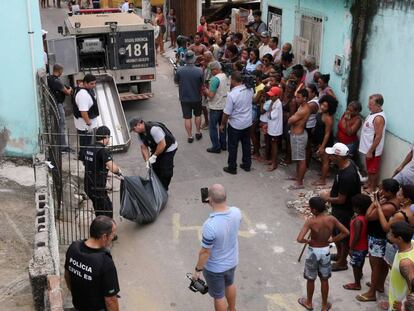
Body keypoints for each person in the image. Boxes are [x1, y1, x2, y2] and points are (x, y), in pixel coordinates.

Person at [192, 184, 241, 311]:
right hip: (232, 262)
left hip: (216, 268)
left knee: (219, 296)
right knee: (229, 284)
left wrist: (198, 270)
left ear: (210, 200)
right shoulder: (237, 212)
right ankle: (232, 309)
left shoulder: (210, 225)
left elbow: (205, 252)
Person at [297, 196, 349, 311]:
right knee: (324, 279)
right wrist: (333, 240)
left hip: (313, 252)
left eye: (310, 208)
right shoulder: (331, 219)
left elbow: (300, 239)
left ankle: (309, 303)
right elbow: (346, 232)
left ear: (314, 210)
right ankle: (325, 306)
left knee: (311, 279)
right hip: (325, 251)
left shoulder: (311, 221)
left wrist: (308, 241)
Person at [357, 179, 400, 303]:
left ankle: (371, 293)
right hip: (381, 237)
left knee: (375, 265)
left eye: (382, 190)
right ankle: (379, 285)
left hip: (377, 238)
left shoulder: (387, 207)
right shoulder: (395, 201)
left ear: (390, 192)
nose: (380, 191)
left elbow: (368, 216)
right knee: (381, 264)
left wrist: (375, 203)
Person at [319, 143, 361, 271]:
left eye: (331, 155)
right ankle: (339, 255)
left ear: (339, 157)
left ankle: (342, 262)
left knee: (343, 236)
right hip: (339, 208)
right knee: (335, 231)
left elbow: (341, 199)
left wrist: (326, 198)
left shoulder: (347, 175)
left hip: (344, 210)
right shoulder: (346, 165)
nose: (329, 157)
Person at [64, 216, 119, 311]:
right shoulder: (105, 262)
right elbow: (111, 300)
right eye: (112, 236)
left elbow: (67, 276)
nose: (112, 239)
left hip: (78, 304)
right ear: (104, 237)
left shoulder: (73, 248)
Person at [84, 126, 122, 220]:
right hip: (97, 187)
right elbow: (113, 168)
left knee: (99, 210)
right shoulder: (102, 150)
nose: (108, 140)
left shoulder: (90, 147)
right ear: (106, 137)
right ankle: (108, 233)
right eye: (108, 137)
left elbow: (91, 163)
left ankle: (100, 232)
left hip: (88, 185)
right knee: (107, 211)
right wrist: (118, 171)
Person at [129, 117, 177, 191]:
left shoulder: (154, 129)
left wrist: (154, 156)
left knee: (166, 172)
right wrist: (147, 161)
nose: (134, 131)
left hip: (168, 147)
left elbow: (162, 144)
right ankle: (158, 187)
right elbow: (144, 148)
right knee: (154, 168)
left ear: (139, 124)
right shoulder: (140, 134)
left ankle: (164, 190)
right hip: (157, 147)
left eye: (134, 129)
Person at [220, 71, 254, 175]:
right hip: (247, 123)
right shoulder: (250, 89)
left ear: (233, 80)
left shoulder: (232, 95)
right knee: (246, 144)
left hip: (235, 125)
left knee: (233, 146)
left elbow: (226, 113)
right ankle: (247, 164)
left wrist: (222, 124)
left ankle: (232, 167)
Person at [378, 183, 414, 266]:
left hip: (396, 246)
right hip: (408, 243)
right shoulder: (411, 209)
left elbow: (386, 228)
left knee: (394, 267)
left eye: (400, 194)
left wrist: (379, 209)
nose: (397, 194)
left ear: (407, 199)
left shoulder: (400, 215)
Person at [342, 194, 371, 290]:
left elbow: (357, 236)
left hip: (357, 247)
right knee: (360, 262)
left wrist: (351, 248)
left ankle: (357, 284)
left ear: (357, 208)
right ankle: (360, 274)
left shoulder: (358, 221)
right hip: (364, 246)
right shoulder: (365, 217)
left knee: (355, 265)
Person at [359, 94, 386, 193]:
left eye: (370, 104)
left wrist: (371, 150)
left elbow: (378, 136)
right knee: (369, 167)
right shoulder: (372, 114)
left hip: (373, 149)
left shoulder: (378, 118)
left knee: (373, 169)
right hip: (368, 148)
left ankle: (373, 187)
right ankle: (369, 183)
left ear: (378, 105)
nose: (368, 106)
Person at [175, 51, 204, 143]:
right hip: (196, 97)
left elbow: (176, 82)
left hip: (184, 98)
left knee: (187, 118)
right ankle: (198, 132)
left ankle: (190, 136)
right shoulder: (199, 70)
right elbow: (202, 83)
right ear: (194, 59)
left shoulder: (179, 70)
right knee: (198, 115)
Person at [384, 221, 414, 311]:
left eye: (391, 234)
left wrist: (404, 306)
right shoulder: (411, 243)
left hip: (398, 305)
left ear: (400, 239)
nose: (388, 234)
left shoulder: (405, 263)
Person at [203, 61, 229, 153]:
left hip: (215, 107)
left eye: (212, 70)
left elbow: (211, 95)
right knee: (223, 126)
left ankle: (216, 147)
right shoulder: (226, 76)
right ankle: (223, 145)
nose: (211, 72)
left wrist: (205, 90)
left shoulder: (215, 79)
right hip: (225, 106)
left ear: (216, 69)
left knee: (213, 127)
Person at [288, 89, 311, 188]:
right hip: (297, 134)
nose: (296, 99)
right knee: (298, 159)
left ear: (305, 98)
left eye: (298, 97)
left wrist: (292, 118)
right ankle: (298, 177)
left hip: (299, 136)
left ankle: (299, 183)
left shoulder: (304, 109)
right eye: (296, 97)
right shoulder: (302, 106)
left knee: (301, 160)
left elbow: (290, 120)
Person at [312, 95, 338, 186]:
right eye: (322, 104)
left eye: (325, 106)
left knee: (325, 160)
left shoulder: (328, 118)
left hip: (325, 141)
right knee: (322, 159)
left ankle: (322, 180)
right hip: (319, 138)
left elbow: (327, 133)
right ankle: (325, 173)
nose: (322, 107)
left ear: (330, 107)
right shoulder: (321, 112)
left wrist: (323, 146)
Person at [74, 74, 99, 163]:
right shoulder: (83, 95)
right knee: (86, 144)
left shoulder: (85, 89)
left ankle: (82, 157)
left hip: (84, 124)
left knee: (85, 143)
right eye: (91, 84)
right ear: (85, 83)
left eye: (95, 83)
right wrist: (89, 124)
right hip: (85, 125)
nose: (93, 86)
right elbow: (83, 112)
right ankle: (85, 161)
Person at [47, 63, 72, 151]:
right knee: (62, 124)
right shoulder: (56, 81)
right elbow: (68, 92)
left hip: (53, 104)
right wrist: (70, 89)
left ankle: (60, 144)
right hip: (58, 104)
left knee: (57, 125)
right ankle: (63, 147)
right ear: (60, 70)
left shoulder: (49, 78)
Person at [265, 86, 283, 171]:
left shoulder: (278, 104)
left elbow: (270, 115)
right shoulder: (274, 102)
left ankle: (274, 163)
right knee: (273, 145)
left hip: (275, 129)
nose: (270, 97)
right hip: (272, 127)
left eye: (272, 96)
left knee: (274, 146)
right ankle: (273, 160)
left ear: (277, 96)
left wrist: (270, 107)